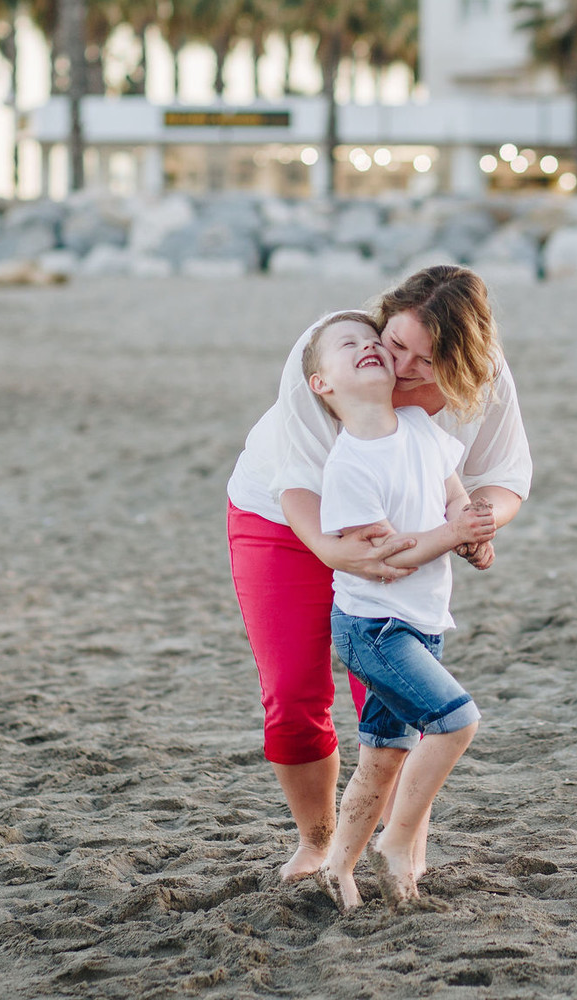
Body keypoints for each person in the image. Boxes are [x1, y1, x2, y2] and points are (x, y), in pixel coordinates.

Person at [224, 265, 532, 882]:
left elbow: (506, 476)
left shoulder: (485, 375)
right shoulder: (339, 351)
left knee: (390, 700)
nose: (403, 366)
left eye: (428, 357)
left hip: (402, 540)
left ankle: (376, 841)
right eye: (396, 344)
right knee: (293, 693)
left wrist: (478, 522)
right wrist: (335, 553)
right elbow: (298, 484)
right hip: (285, 519)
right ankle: (316, 840)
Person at [294, 311, 494, 909]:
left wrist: (473, 532)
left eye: (369, 340)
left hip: (422, 623)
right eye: (345, 346)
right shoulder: (349, 464)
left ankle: (339, 868)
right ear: (322, 385)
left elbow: (451, 488)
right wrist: (449, 532)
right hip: (374, 628)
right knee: (457, 721)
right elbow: (390, 557)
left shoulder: (419, 426)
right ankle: (399, 840)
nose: (366, 347)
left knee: (381, 757)